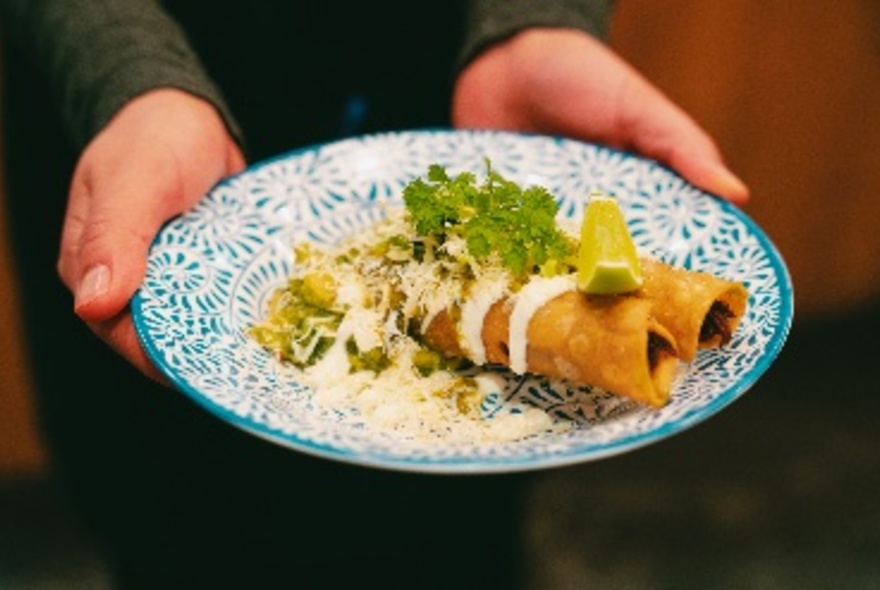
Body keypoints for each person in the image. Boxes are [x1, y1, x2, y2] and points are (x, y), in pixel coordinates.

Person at [0, 1, 749, 588]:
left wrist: (536, 16)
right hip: (153, 149)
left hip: (450, 82)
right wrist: (125, 71)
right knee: (177, 529)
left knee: (458, 541)